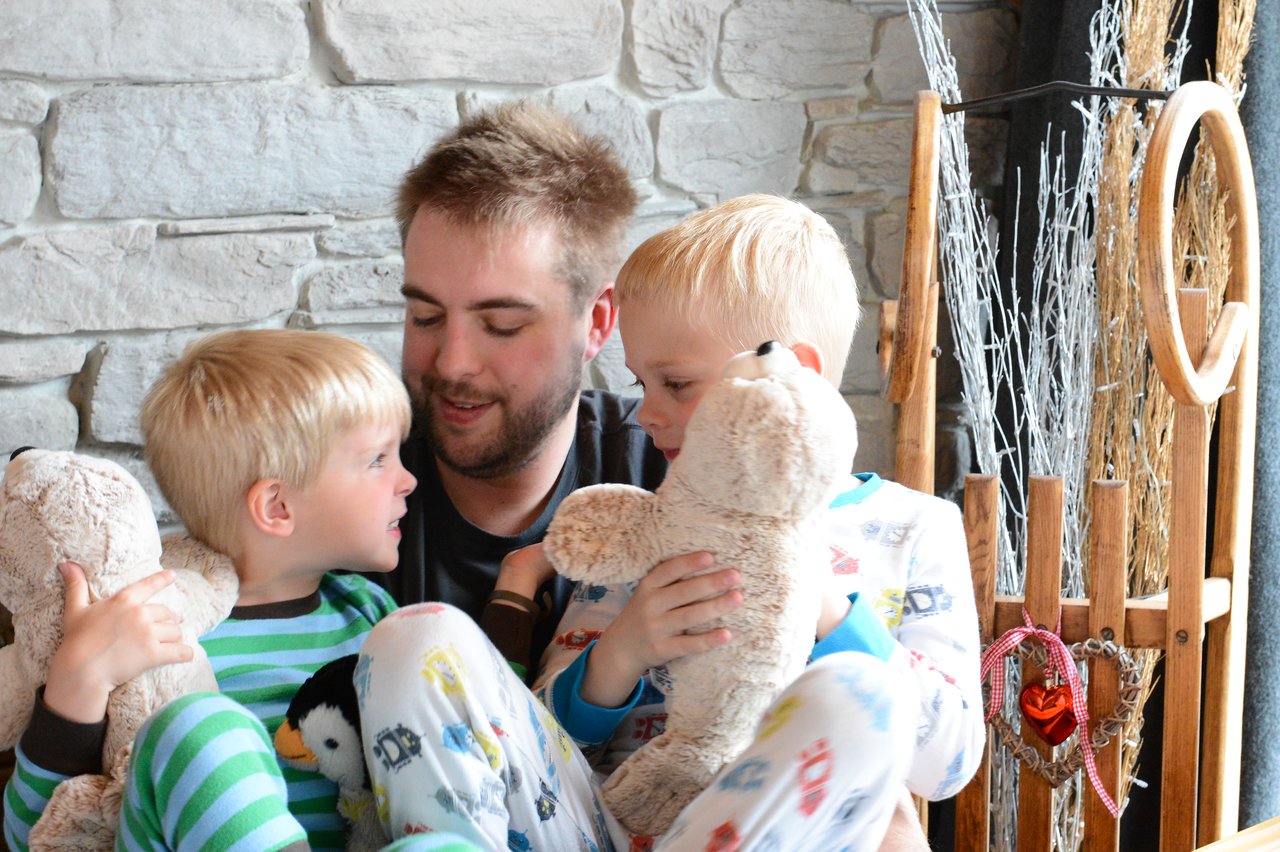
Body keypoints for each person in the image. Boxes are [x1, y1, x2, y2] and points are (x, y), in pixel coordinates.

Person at [355, 195, 983, 850]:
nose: (646, 413)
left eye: (675, 385)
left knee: (861, 692)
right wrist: (622, 651)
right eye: (642, 384)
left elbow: (948, 762)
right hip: (601, 825)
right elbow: (540, 741)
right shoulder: (652, 520)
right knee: (416, 637)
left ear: (790, 371)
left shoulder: (915, 529)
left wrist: (823, 608)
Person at [3, 329, 425, 851]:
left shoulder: (373, 616)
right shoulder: (147, 631)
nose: (407, 480)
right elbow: (33, 837)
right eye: (378, 460)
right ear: (277, 508)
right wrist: (79, 677)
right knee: (201, 729)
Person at [382, 101, 669, 670]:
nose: (453, 363)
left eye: (502, 325)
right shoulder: (335, 483)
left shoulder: (676, 468)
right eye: (426, 317)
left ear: (597, 323)